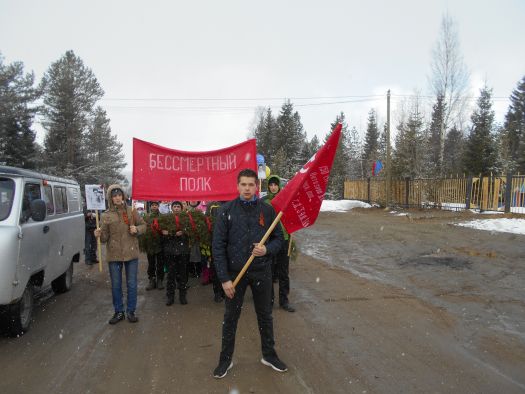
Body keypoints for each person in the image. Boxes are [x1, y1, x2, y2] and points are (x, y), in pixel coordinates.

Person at [212, 168, 287, 379]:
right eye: (243, 184)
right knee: (231, 318)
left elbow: (278, 239)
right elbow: (218, 247)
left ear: (257, 187)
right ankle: (225, 360)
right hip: (236, 274)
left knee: (265, 315)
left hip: (261, 271)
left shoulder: (267, 211)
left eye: (251, 184)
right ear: (237, 186)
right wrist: (224, 280)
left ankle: (269, 355)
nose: (247, 188)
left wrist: (266, 250)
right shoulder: (226, 211)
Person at [94, 185, 146, 324]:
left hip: (131, 252)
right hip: (114, 254)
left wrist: (137, 229)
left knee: (132, 284)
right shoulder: (105, 215)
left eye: (119, 195)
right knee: (116, 285)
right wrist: (99, 234)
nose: (117, 198)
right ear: (111, 198)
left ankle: (131, 311)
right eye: (114, 195)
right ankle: (118, 312)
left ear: (123, 196)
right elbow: (104, 238)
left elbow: (144, 225)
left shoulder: (131, 211)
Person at [263, 175, 295, 312]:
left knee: (283, 272)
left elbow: (292, 215)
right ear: (268, 186)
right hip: (269, 240)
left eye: (275, 184)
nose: (273, 187)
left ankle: (284, 301)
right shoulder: (264, 202)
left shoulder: (286, 200)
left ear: (279, 186)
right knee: (268, 271)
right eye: (271, 185)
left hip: (284, 239)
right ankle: (268, 301)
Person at [162, 201, 189, 306]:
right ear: (172, 208)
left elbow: (190, 231)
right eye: (175, 206)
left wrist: (184, 232)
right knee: (171, 275)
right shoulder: (167, 219)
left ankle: (183, 296)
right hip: (170, 251)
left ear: (181, 208)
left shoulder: (185, 219)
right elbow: (164, 233)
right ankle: (170, 297)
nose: (176, 208)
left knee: (182, 275)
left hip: (182, 251)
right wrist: (172, 234)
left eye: (178, 206)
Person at [144, 201, 165, 291]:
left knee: (160, 263)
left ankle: (159, 279)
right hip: (150, 244)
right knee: (151, 263)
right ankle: (152, 279)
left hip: (160, 243)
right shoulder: (146, 217)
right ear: (150, 206)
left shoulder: (162, 217)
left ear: (158, 206)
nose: (154, 207)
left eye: (156, 205)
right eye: (152, 205)